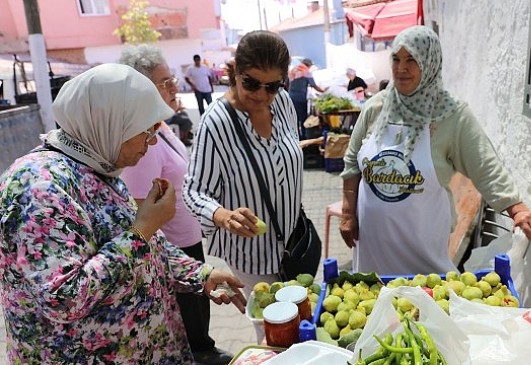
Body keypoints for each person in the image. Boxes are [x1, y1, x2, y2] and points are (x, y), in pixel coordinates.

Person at [0, 63, 247, 364]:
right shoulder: (38, 186)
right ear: (110, 122)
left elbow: (144, 247)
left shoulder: (99, 165)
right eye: (146, 129)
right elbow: (63, 299)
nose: (153, 140)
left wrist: (198, 273)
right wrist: (142, 229)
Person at [339, 26, 531, 276]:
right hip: (372, 246)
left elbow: (485, 167)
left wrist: (517, 209)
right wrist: (348, 213)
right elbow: (352, 162)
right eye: (396, 58)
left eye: (412, 59)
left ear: (430, 63)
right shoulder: (376, 107)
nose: (401, 68)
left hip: (421, 250)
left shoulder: (451, 115)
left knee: (421, 305)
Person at [119, 45, 230, 365]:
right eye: (163, 83)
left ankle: (203, 348)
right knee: (189, 315)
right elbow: (142, 209)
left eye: (172, 80)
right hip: (173, 246)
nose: (173, 88)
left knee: (199, 307)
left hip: (186, 239)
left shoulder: (161, 126)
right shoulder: (142, 143)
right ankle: (200, 354)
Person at [183, 30, 303, 293]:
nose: (261, 94)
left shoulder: (282, 102)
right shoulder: (216, 122)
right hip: (252, 256)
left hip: (293, 245)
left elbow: (287, 152)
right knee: (273, 328)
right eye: (251, 83)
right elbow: (193, 191)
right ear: (235, 72)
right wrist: (223, 216)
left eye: (272, 85)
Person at [288, 58, 328, 139]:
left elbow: (287, 82)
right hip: (301, 99)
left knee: (294, 117)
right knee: (303, 118)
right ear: (308, 65)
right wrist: (324, 91)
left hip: (291, 97)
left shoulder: (293, 70)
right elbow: (313, 85)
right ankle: (303, 137)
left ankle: (295, 136)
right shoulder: (307, 72)